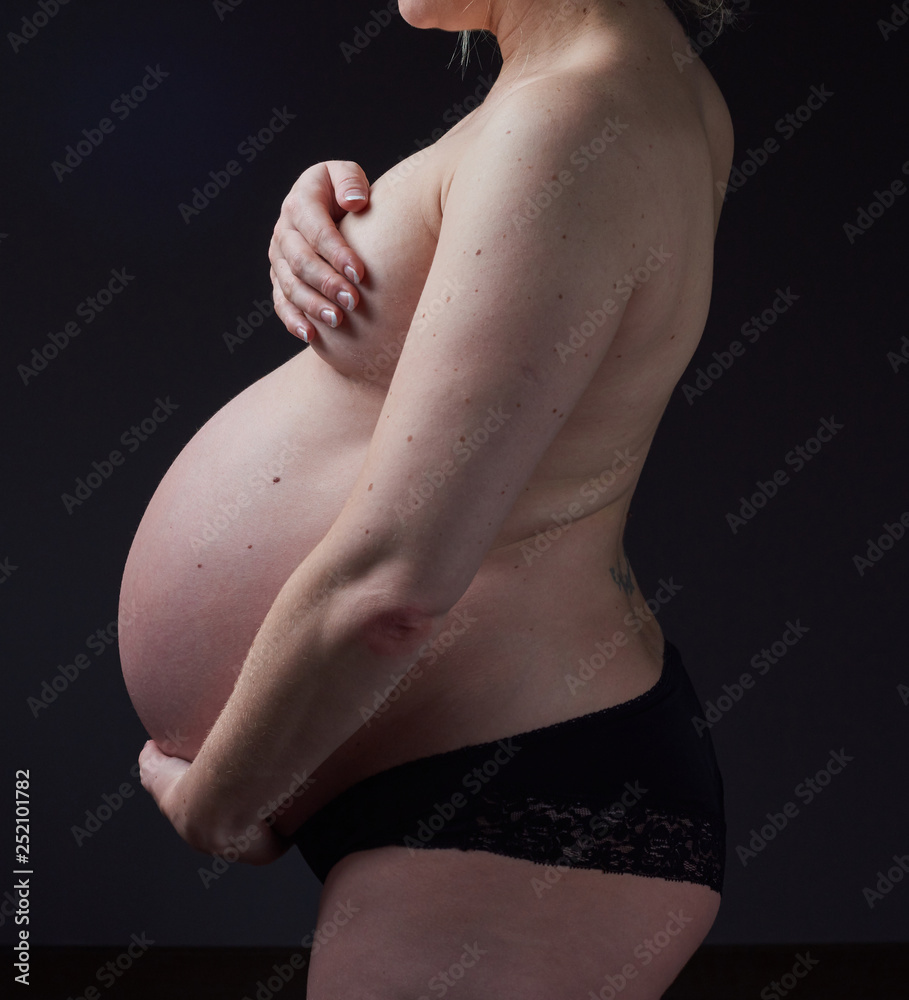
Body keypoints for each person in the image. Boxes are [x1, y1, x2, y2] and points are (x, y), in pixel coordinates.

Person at [137, 1, 739, 996]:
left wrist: (215, 802)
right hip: (473, 758)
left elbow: (393, 588)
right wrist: (351, 216)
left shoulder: (571, 124)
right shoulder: (617, 88)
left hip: (519, 796)